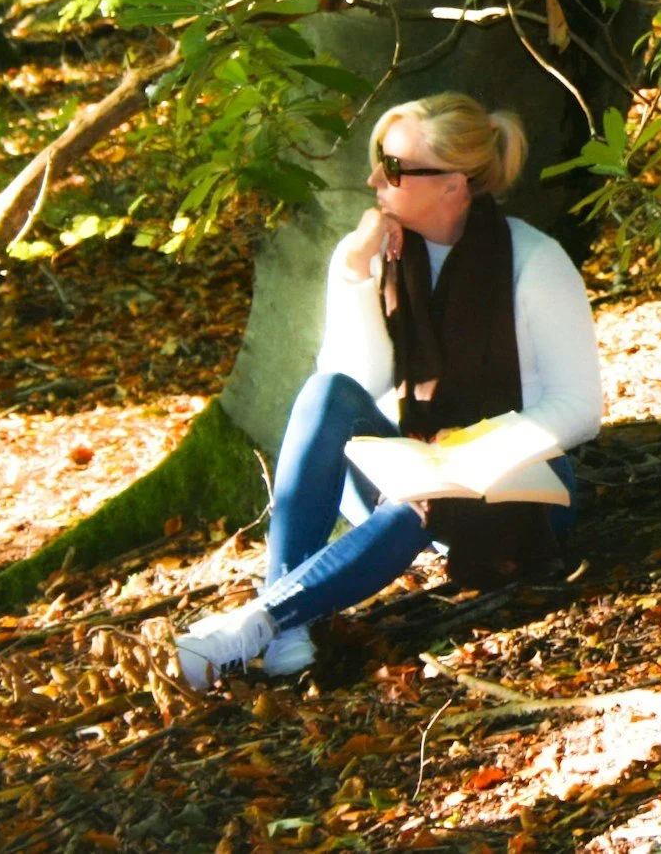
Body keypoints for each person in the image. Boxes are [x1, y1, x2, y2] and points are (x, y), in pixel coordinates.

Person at [173, 94, 603, 688]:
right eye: (379, 159)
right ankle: (289, 616)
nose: (374, 178)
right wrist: (353, 272)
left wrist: (474, 447)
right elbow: (356, 381)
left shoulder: (535, 261)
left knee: (416, 501)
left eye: (396, 168)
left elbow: (580, 409)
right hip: (414, 459)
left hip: (519, 483)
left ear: (454, 184)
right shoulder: (379, 253)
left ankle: (262, 621)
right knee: (328, 394)